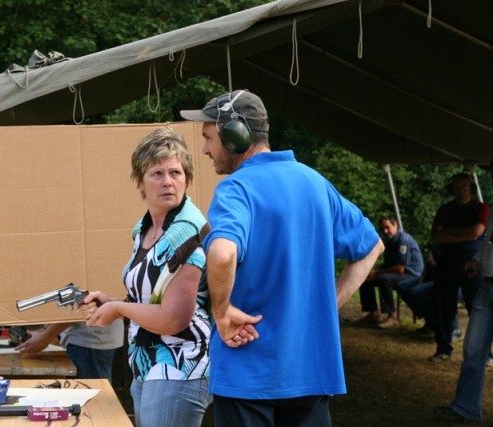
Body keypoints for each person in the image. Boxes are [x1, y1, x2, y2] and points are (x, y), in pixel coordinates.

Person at [179, 89, 384, 427]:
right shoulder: (315, 183)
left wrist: (222, 312)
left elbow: (222, 252)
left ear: (235, 135)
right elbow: (372, 247)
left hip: (247, 375)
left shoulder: (236, 189)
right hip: (311, 370)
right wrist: (329, 303)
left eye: (208, 138)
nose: (204, 149)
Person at [80, 127, 212, 427]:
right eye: (157, 173)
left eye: (176, 173)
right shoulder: (145, 230)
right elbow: (152, 298)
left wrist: (118, 309)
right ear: (139, 181)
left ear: (186, 179)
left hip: (179, 365)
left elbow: (173, 318)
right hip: (148, 364)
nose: (168, 182)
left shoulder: (184, 235)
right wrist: (111, 302)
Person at [435, 163, 493, 422]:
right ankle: (466, 408)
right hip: (486, 284)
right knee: (473, 349)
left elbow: (476, 233)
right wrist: (476, 262)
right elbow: (485, 239)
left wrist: (455, 236)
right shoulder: (490, 209)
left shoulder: (479, 208)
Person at [428, 172, 490, 361]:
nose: (461, 190)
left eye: (464, 186)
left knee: (477, 309)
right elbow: (437, 236)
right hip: (447, 263)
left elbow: (477, 231)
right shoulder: (445, 209)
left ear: (470, 187)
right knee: (443, 308)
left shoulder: (480, 208)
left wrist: (450, 231)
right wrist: (465, 234)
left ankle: (485, 353)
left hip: (472, 263)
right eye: (457, 187)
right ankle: (443, 348)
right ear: (452, 188)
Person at [358, 216, 424, 329]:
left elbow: (400, 269)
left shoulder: (404, 240)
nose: (385, 231)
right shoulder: (389, 241)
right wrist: (372, 271)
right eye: (383, 228)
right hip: (399, 273)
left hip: (412, 275)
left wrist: (378, 272)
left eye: (388, 227)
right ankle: (373, 313)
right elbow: (388, 265)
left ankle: (392, 317)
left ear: (396, 225)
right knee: (366, 277)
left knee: (384, 278)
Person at [16, 320, 123, 381]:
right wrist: (45, 330)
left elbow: (75, 308)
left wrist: (45, 337)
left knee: (92, 404)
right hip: (90, 339)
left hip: (89, 341)